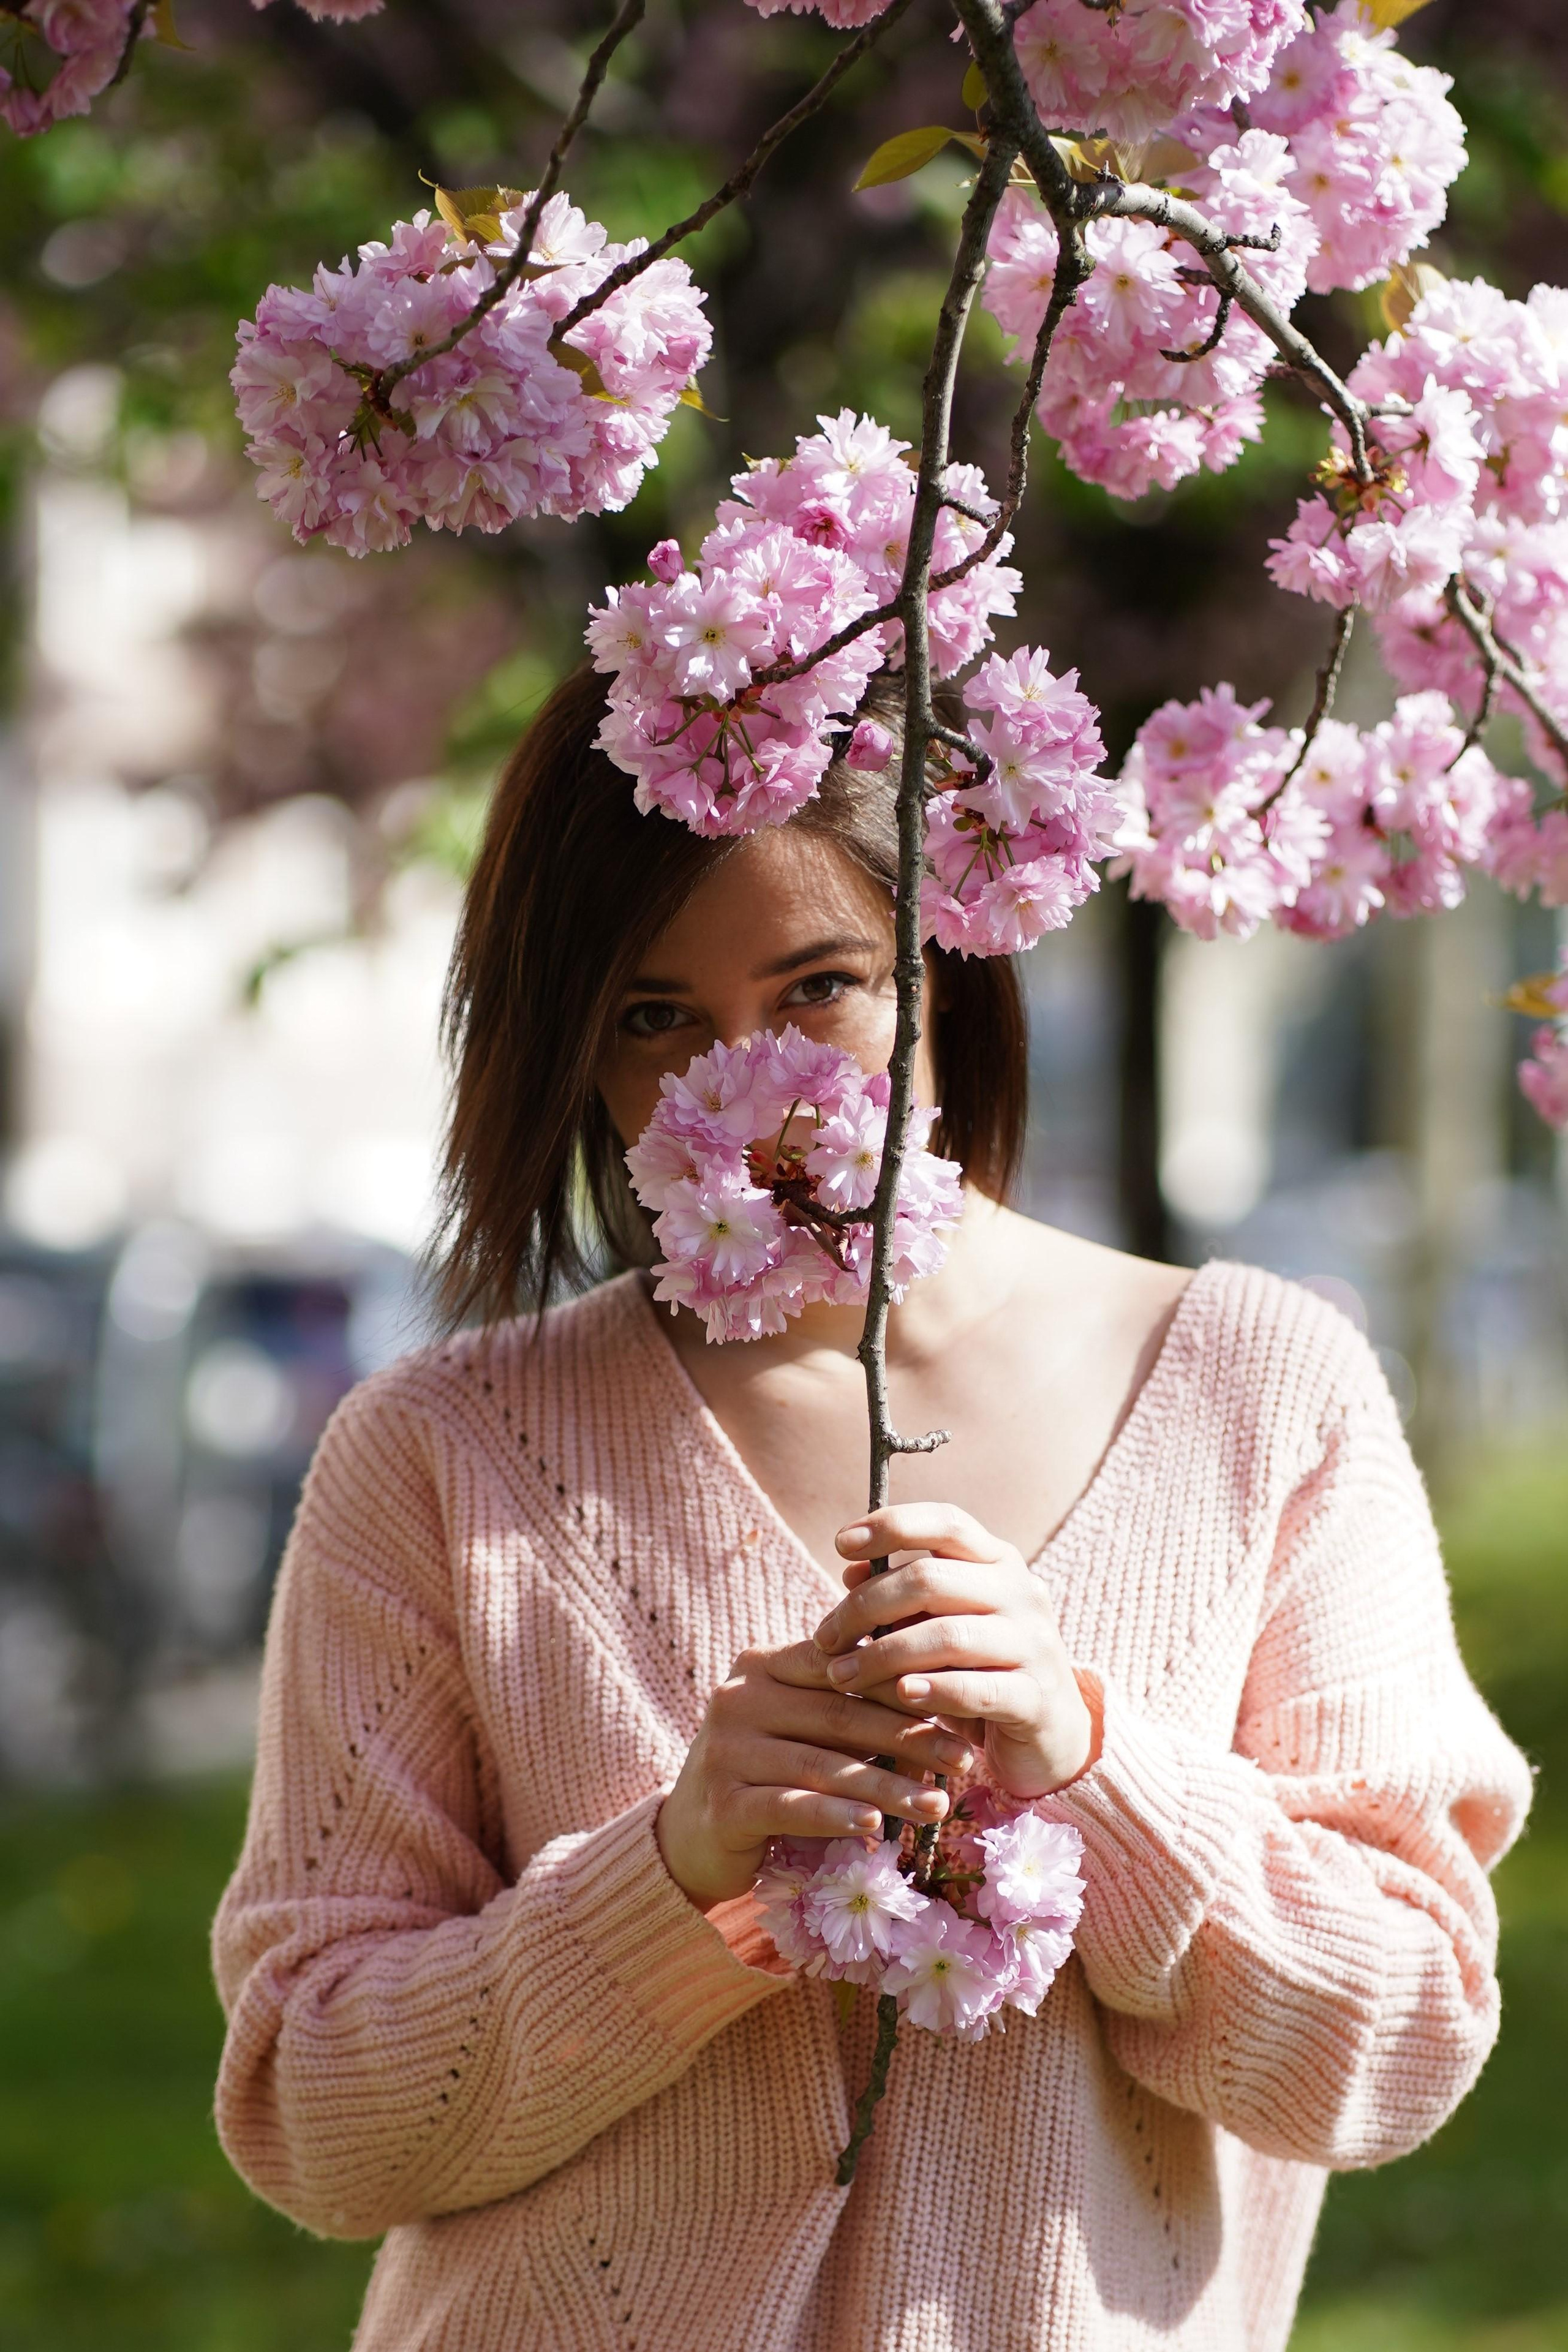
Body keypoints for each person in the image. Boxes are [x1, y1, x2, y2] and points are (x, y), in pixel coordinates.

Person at [213, 663, 1531, 2352]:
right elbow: (316, 2118)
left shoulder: (1260, 1395)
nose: (750, 1085)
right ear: (569, 1056)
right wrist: (677, 1879)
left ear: (946, 977)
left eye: (823, 986)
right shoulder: (442, 1457)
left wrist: (1098, 1774)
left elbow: (1404, 2043)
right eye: (652, 1018)